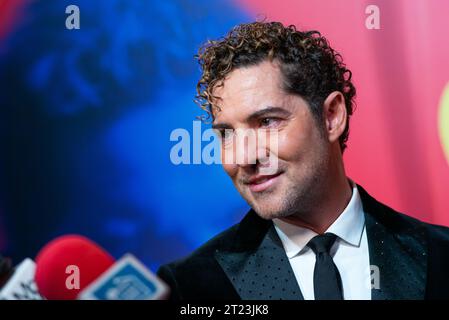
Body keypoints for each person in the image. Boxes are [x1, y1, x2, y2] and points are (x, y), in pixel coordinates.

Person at [157, 21, 449, 300]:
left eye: (267, 121)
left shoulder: (441, 256)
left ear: (332, 116)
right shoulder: (189, 286)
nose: (243, 157)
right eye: (227, 134)